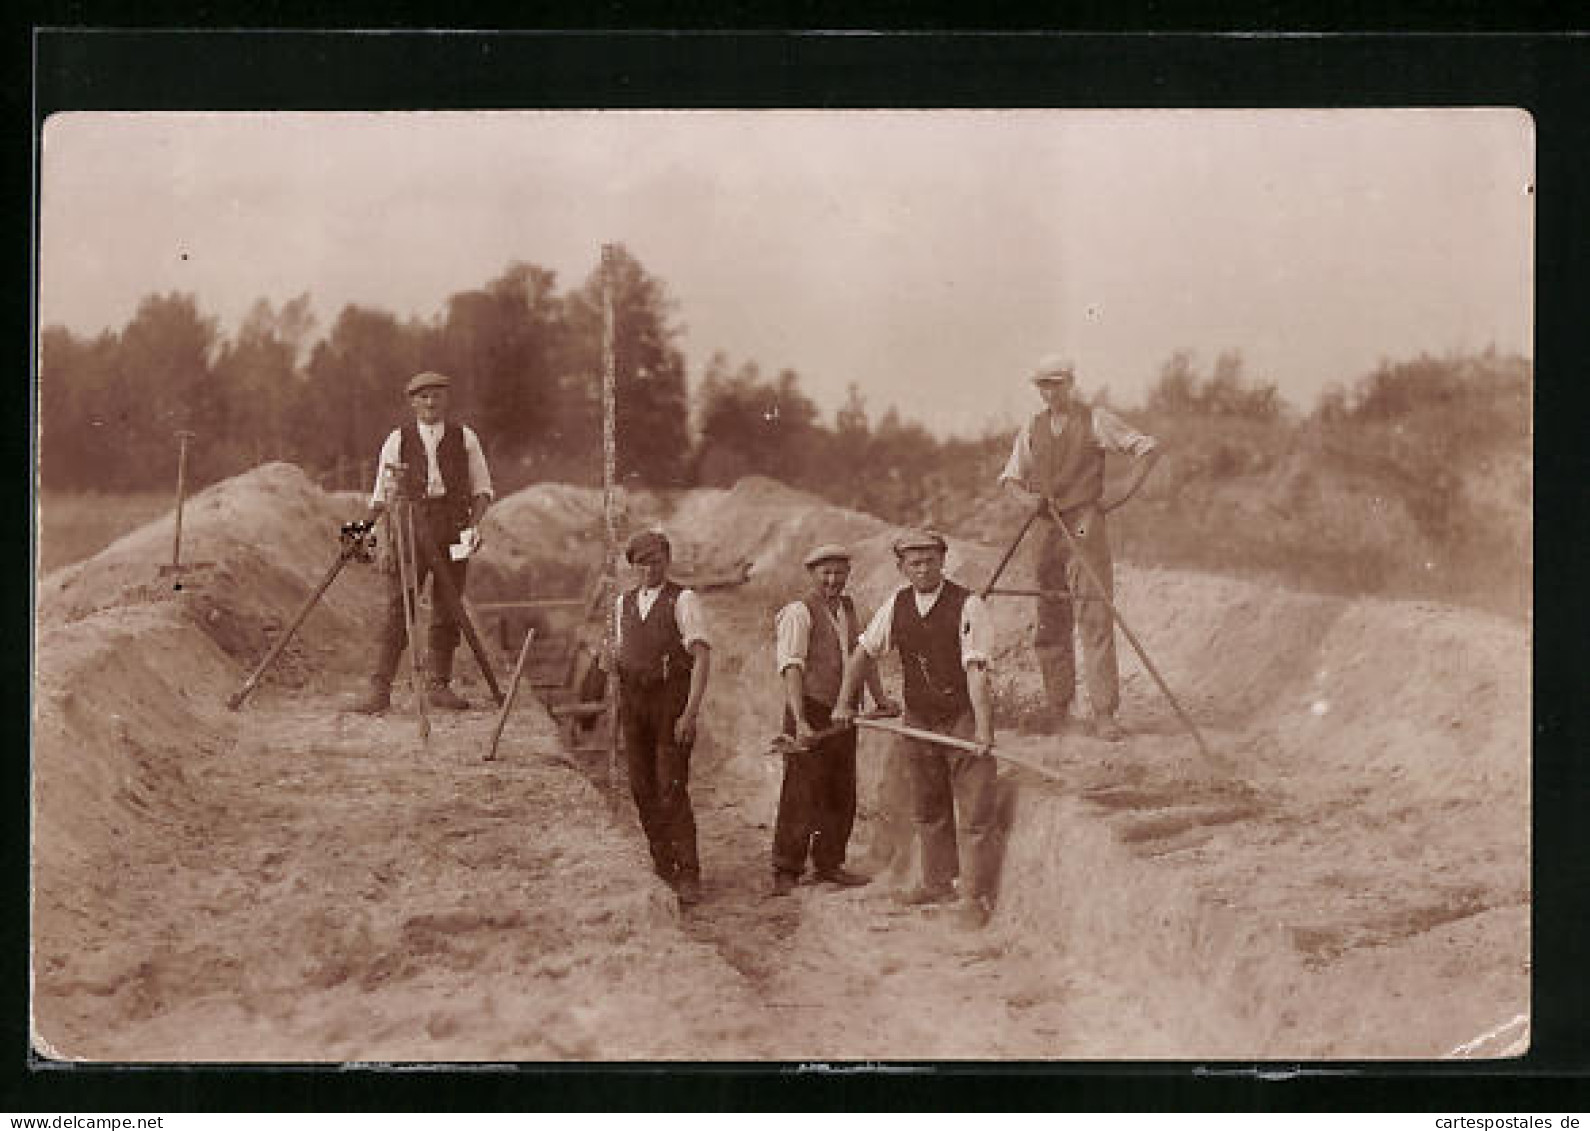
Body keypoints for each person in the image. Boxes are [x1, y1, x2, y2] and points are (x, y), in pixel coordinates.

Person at [833, 530, 999, 930]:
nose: (923, 568)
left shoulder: (968, 605)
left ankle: (974, 897)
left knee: (975, 811)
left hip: (961, 716)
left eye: (929, 560)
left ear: (943, 560)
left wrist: (983, 729)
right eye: (914, 563)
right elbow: (863, 652)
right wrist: (843, 702)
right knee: (928, 806)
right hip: (919, 719)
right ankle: (937, 882)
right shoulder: (897, 603)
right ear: (902, 568)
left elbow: (976, 671)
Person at [998, 354, 1161, 741]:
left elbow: (1147, 449)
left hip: (1085, 524)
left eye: (1055, 383)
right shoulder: (1031, 428)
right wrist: (1029, 502)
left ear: (1070, 383)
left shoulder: (1096, 420)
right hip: (1045, 528)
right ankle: (1059, 707)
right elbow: (1009, 479)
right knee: (1050, 615)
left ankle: (1104, 712)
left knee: (1094, 615)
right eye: (1042, 385)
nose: (1049, 392)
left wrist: (1119, 494)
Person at [351, 371, 493, 715]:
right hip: (409, 531)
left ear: (447, 399)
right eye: (423, 397)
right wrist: (360, 537)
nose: (431, 403)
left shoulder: (465, 438)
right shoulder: (397, 440)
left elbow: (483, 492)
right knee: (399, 609)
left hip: (453, 531)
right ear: (412, 402)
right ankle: (379, 689)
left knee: (449, 609)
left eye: (437, 396)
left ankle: (438, 685)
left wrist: (470, 530)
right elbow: (381, 497)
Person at [770, 543, 898, 897]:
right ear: (812, 575)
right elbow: (791, 667)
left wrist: (881, 698)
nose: (832, 579)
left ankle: (829, 863)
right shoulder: (799, 612)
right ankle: (786, 867)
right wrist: (799, 721)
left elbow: (864, 656)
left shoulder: (847, 608)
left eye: (839, 572)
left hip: (844, 710)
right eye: (825, 572)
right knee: (801, 790)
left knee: (840, 789)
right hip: (809, 708)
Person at [613, 529, 712, 909]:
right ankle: (663, 864)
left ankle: (689, 872)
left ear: (666, 562)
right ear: (632, 567)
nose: (648, 571)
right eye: (640, 564)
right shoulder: (622, 604)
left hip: (670, 702)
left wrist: (690, 712)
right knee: (641, 787)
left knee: (671, 787)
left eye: (655, 562)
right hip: (634, 704)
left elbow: (702, 657)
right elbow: (619, 654)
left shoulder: (683, 599)